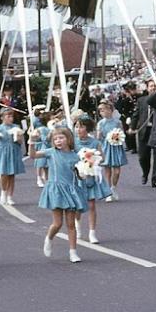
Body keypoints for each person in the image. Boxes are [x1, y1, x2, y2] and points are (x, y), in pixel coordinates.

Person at [29, 126, 87, 264]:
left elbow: (79, 175)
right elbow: (33, 155)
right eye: (55, 139)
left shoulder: (75, 155)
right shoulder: (51, 152)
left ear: (68, 139)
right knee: (57, 223)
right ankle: (49, 238)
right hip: (55, 190)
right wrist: (31, 141)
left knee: (71, 224)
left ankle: (73, 252)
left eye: (61, 138)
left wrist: (84, 172)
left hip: (71, 190)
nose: (58, 141)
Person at [74, 116, 110, 244]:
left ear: (87, 128)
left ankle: (92, 232)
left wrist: (94, 161)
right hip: (77, 178)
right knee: (78, 206)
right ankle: (77, 227)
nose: (78, 129)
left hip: (90, 177)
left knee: (92, 205)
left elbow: (102, 158)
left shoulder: (95, 143)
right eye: (77, 126)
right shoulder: (72, 142)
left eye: (81, 126)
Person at [0, 109, 25, 206]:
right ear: (2, 118)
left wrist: (17, 136)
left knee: (11, 174)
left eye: (11, 116)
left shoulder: (16, 127)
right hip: (3, 152)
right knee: (3, 173)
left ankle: (10, 196)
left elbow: (20, 142)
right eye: (8, 116)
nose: (10, 118)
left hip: (13, 151)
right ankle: (3, 193)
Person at [98, 101, 128, 201]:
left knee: (117, 171)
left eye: (104, 109)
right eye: (101, 111)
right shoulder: (101, 123)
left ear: (110, 110)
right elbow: (99, 137)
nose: (102, 112)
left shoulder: (117, 122)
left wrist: (117, 136)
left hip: (116, 146)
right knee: (107, 170)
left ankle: (113, 187)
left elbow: (122, 133)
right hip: (106, 146)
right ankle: (108, 192)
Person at [132, 80, 156, 186]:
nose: (153, 88)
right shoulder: (141, 100)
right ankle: (145, 173)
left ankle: (155, 179)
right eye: (151, 86)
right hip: (144, 131)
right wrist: (132, 127)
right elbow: (136, 114)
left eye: (155, 86)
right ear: (147, 88)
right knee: (143, 156)